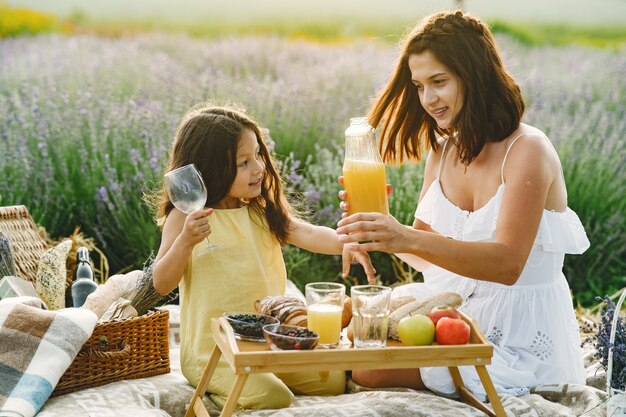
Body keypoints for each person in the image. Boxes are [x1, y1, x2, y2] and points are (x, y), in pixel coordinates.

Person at [335, 10, 590, 399]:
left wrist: (405, 236)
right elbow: (424, 254)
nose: (428, 99)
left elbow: (507, 264)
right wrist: (383, 228)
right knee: (353, 338)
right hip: (451, 314)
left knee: (367, 368)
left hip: (513, 334)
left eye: (439, 82)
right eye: (419, 86)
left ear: (475, 76)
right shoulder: (442, 151)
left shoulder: (527, 150)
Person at [152, 104, 374, 410]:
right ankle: (222, 393)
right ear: (210, 169)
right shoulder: (186, 217)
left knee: (332, 380)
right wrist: (185, 242)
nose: (258, 168)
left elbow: (306, 233)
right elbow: (161, 283)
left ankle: (260, 378)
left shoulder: (259, 210)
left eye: (258, 154)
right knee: (274, 397)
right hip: (215, 350)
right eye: (244, 162)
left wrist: (344, 243)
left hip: (269, 342)